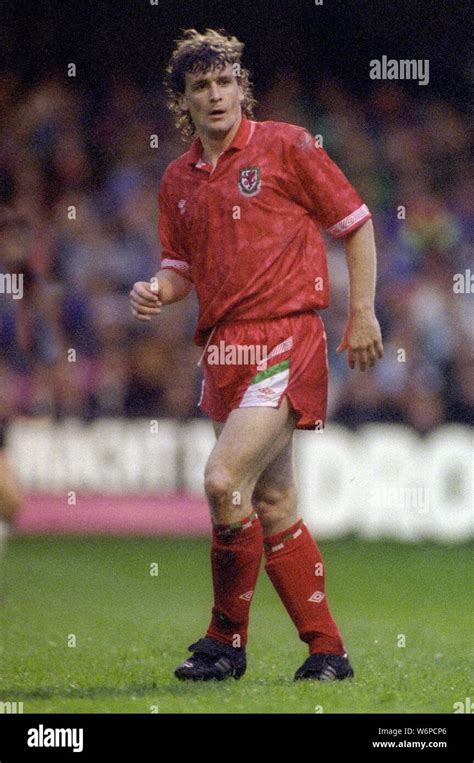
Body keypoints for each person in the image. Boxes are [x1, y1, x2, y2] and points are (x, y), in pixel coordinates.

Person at [130, 28, 383, 681]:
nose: (216, 95)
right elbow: (179, 268)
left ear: (242, 85)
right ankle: (327, 650)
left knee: (221, 479)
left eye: (225, 81)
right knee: (270, 503)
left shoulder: (287, 145)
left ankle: (224, 641)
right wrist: (158, 289)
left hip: (285, 340)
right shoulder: (177, 178)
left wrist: (360, 313)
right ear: (181, 101)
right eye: (200, 86)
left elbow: (356, 223)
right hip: (223, 351)